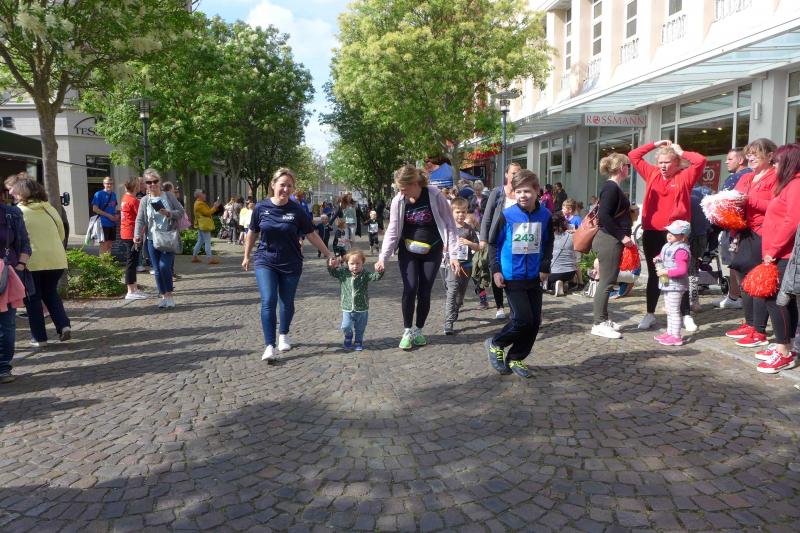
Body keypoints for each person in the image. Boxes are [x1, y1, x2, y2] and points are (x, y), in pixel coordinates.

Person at [243, 168, 334, 362]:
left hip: (291, 261)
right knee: (268, 300)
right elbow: (252, 232)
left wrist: (328, 253)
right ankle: (269, 346)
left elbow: (311, 234)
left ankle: (283, 333)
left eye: (289, 186)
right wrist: (246, 255)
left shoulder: (297, 210)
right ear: (273, 185)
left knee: (287, 301)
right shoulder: (261, 207)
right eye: (282, 185)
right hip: (265, 260)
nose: (285, 189)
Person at [376, 164, 459, 350]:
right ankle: (407, 330)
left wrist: (453, 255)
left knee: (424, 291)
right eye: (399, 189)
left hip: (433, 250)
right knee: (410, 287)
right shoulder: (399, 201)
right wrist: (383, 257)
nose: (401, 193)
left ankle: (418, 330)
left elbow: (450, 225)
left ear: (414, 184)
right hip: (408, 251)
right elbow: (392, 230)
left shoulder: (434, 195)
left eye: (403, 189)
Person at [629, 139, 706, 331]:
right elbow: (633, 155)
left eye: (667, 162)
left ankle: (685, 315)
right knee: (656, 273)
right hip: (652, 232)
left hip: (676, 234)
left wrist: (680, 151)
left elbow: (700, 160)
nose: (663, 166)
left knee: (679, 274)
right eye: (660, 162)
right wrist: (655, 144)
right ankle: (650, 313)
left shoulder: (685, 176)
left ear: (676, 163)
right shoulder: (652, 173)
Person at [484, 170, 552, 378]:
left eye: (527, 191)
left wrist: (545, 266)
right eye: (519, 191)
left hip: (534, 275)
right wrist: (496, 270)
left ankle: (516, 357)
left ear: (537, 191)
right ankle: (496, 343)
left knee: (534, 321)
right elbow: (493, 243)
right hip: (511, 275)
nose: (523, 195)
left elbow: (548, 242)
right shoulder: (507, 215)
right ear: (513, 193)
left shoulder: (545, 215)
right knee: (522, 319)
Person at [725, 138, 778, 348]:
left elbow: (776, 206)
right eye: (749, 154)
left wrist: (749, 200)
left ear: (770, 155)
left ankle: (759, 330)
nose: (751, 157)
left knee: (758, 281)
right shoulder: (747, 176)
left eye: (756, 154)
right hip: (742, 231)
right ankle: (749, 323)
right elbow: (735, 198)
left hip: (762, 232)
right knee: (743, 278)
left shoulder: (775, 176)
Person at [753, 143, 800, 373]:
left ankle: (784, 351)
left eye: (777, 162)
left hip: (784, 254)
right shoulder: (788, 184)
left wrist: (774, 249)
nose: (774, 166)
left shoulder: (796, 185)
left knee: (775, 300)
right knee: (782, 301)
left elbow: (792, 221)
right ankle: (787, 345)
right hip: (777, 252)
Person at [10, 177, 71, 348]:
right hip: (56, 259)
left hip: (32, 261)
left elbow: (16, 238)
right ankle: (63, 325)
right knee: (50, 293)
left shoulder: (18, 211)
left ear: (22, 193)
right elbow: (61, 232)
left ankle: (39, 338)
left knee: (33, 298)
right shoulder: (49, 208)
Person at [590, 153, 634, 339]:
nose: (629, 169)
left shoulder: (613, 187)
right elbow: (604, 217)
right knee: (606, 283)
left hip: (611, 239)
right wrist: (622, 237)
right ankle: (598, 323)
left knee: (608, 281)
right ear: (621, 167)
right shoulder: (611, 187)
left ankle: (603, 319)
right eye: (628, 165)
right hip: (609, 240)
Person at [134, 169, 184, 309]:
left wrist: (168, 213)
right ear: (145, 184)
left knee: (164, 266)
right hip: (152, 239)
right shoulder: (145, 200)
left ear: (160, 182)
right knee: (156, 270)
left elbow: (181, 212)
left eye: (155, 181)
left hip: (168, 238)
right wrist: (137, 234)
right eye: (149, 182)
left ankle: (169, 295)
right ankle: (164, 296)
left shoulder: (168, 196)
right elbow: (140, 220)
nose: (152, 184)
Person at [480, 162, 521, 319]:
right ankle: (499, 306)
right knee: (497, 269)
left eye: (518, 173)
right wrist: (483, 238)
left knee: (513, 271)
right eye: (513, 173)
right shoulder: (497, 192)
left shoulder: (521, 193)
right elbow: (487, 217)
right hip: (497, 237)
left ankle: (514, 305)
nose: (516, 176)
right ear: (506, 175)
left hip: (517, 238)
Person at [0, 195, 31, 383]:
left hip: (6, 276)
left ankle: (3, 367)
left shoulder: (11, 214)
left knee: (6, 324)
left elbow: (25, 243)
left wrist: (20, 266)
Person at [328, 249, 384, 351]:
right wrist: (331, 266)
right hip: (347, 307)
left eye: (358, 263)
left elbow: (374, 277)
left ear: (363, 263)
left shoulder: (365, 274)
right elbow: (333, 273)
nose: (355, 266)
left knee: (360, 327)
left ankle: (358, 341)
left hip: (362, 307)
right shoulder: (343, 273)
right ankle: (348, 337)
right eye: (352, 264)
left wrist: (379, 271)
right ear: (347, 263)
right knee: (346, 326)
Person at [717, 147, 750, 309]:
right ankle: (734, 296)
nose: (726, 162)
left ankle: (740, 297)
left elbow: (723, 202)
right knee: (737, 262)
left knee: (735, 262)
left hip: (734, 226)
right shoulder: (752, 175)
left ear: (741, 160)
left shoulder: (736, 178)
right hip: (746, 227)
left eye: (730, 159)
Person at [443, 197, 479, 335]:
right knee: (451, 291)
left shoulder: (469, 229)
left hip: (466, 265)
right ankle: (448, 323)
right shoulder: (447, 228)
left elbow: (478, 247)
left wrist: (468, 243)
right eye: (457, 212)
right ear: (452, 212)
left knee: (459, 295)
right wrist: (446, 246)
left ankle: (456, 308)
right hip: (450, 264)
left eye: (463, 212)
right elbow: (440, 244)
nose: (461, 215)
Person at [653, 220, 692, 346]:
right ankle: (670, 332)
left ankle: (676, 336)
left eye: (674, 233)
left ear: (683, 236)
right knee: (669, 310)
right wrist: (658, 258)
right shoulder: (669, 245)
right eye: (669, 232)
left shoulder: (681, 250)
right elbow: (664, 256)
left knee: (674, 311)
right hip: (668, 284)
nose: (669, 235)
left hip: (676, 285)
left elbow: (682, 270)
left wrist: (665, 272)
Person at [120, 176, 147, 300]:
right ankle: (130, 291)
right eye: (138, 184)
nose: (140, 186)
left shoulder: (125, 198)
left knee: (133, 262)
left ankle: (134, 288)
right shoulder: (134, 201)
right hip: (132, 234)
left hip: (126, 232)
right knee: (131, 263)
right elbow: (142, 218)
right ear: (135, 187)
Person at [547, 211, 577, 297]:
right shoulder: (572, 235)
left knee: (546, 278)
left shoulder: (547, 237)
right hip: (570, 273)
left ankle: (555, 285)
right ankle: (563, 283)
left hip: (553, 273)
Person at [91, 176, 119, 255]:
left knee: (109, 245)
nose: (109, 185)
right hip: (103, 223)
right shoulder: (99, 194)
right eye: (107, 183)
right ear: (104, 184)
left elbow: (114, 207)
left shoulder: (113, 194)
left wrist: (116, 215)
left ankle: (108, 261)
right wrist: (109, 216)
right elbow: (95, 209)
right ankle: (103, 262)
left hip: (112, 223)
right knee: (103, 245)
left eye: (111, 184)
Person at [192, 190, 221, 264]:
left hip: (201, 225)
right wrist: (215, 207)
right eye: (203, 194)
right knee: (207, 242)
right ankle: (210, 259)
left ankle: (194, 257)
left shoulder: (198, 203)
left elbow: (206, 212)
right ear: (199, 195)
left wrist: (214, 207)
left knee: (200, 241)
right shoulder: (200, 204)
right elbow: (208, 213)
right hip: (204, 225)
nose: (205, 195)